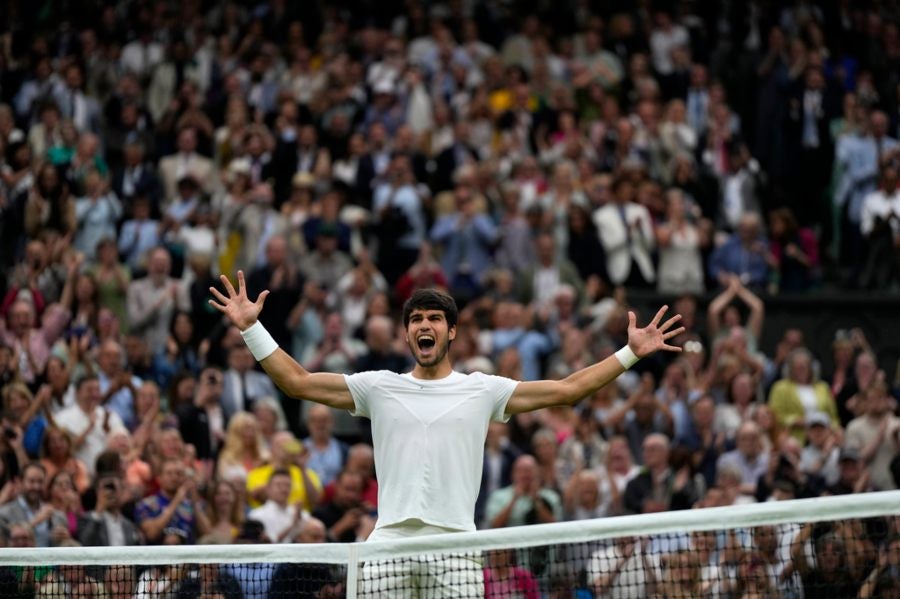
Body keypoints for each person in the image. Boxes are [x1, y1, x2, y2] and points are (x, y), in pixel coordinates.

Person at [209, 275, 682, 594]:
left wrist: (630, 353)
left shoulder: (483, 390)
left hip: (456, 545)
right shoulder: (378, 386)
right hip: (388, 544)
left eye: (434, 319)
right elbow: (298, 382)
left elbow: (567, 390)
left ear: (451, 332)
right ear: (408, 335)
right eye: (416, 320)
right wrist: (253, 329)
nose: (424, 325)